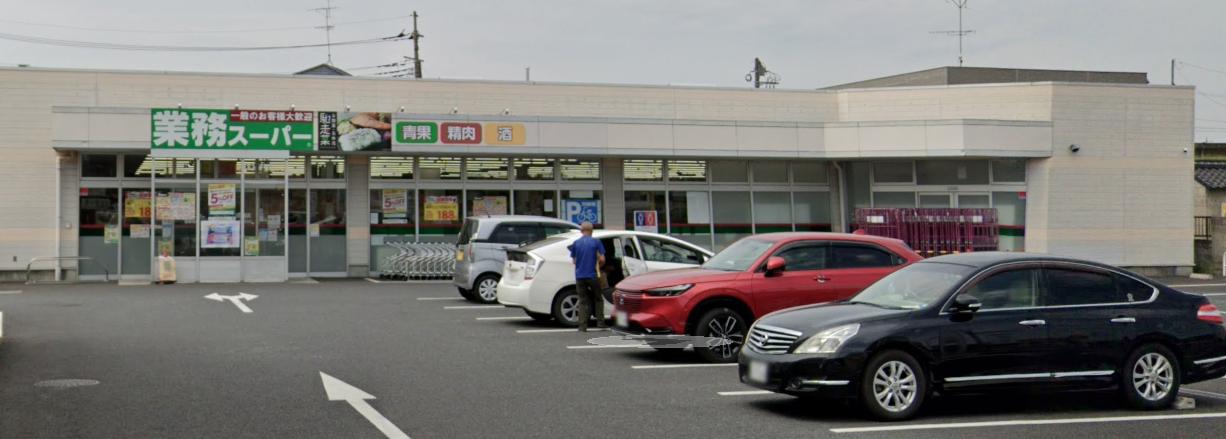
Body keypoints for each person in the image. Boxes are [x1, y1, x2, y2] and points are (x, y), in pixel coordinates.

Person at [569, 222, 606, 332]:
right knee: (598, 298)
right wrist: (599, 266)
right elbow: (603, 259)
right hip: (592, 275)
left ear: (581, 231)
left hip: (580, 276)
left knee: (582, 300)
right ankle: (600, 322)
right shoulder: (596, 242)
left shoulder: (576, 243)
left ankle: (582, 326)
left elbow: (574, 261)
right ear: (592, 230)